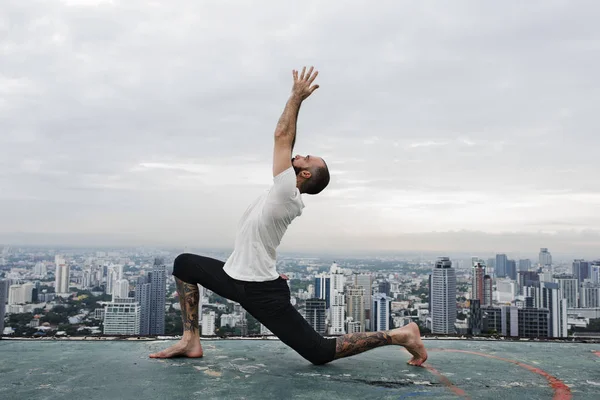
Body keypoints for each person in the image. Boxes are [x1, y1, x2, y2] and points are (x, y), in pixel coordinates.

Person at [149, 66, 427, 367]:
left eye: (305, 158)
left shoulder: (285, 192)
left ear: (305, 173)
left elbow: (282, 136)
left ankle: (401, 335)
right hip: (235, 276)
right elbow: (285, 149)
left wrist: (296, 97)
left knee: (319, 353)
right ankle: (190, 341)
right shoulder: (281, 190)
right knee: (185, 264)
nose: (299, 153)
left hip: (259, 291)